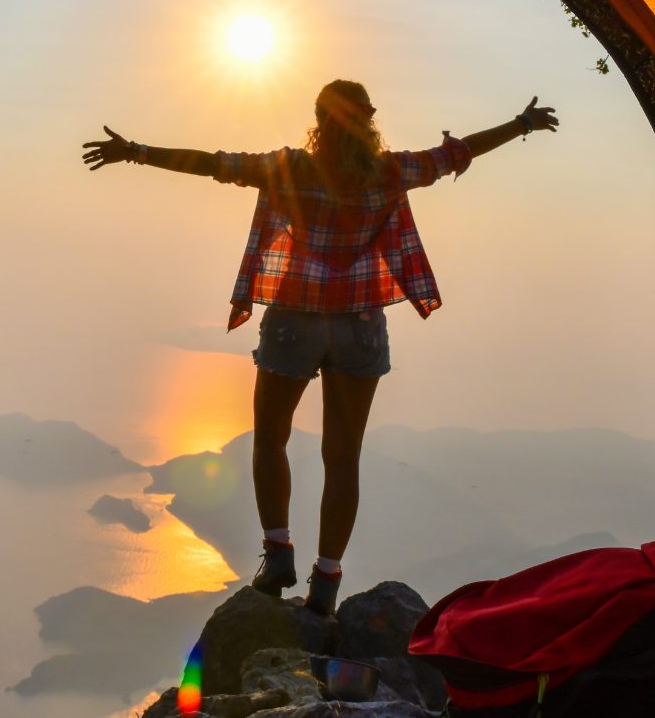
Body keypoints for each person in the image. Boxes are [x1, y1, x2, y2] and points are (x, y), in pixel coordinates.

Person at [81, 80, 560, 615]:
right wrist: (521, 125)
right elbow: (458, 153)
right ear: (368, 121)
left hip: (295, 321)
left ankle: (278, 553)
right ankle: (326, 583)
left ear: (319, 120)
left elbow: (213, 163)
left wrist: (136, 152)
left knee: (271, 441)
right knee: (343, 459)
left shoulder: (289, 168)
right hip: (359, 327)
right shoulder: (391, 171)